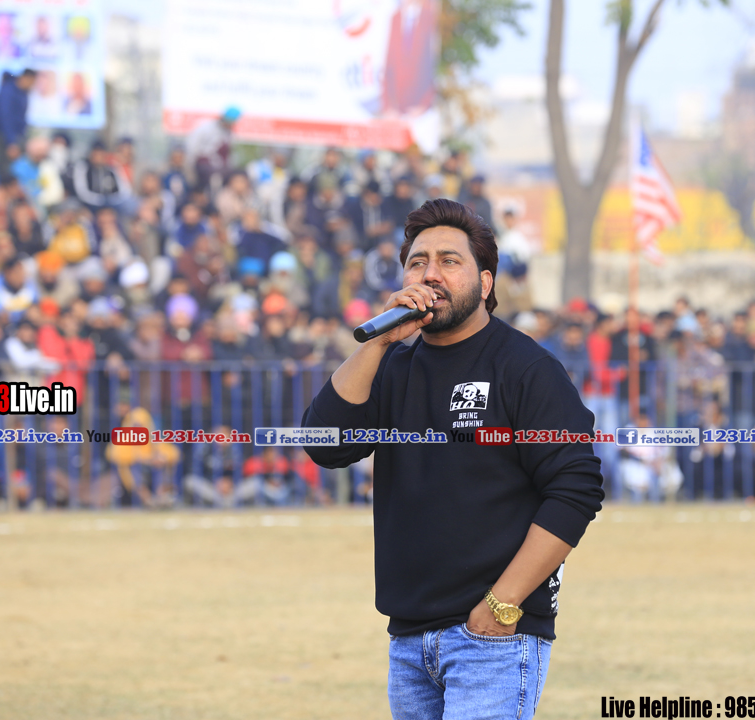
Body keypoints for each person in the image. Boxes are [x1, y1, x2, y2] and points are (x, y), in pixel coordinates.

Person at [301, 198, 604, 720]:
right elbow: (326, 444)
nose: (430, 274)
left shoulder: (526, 368)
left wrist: (502, 604)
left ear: (485, 283)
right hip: (409, 638)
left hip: (493, 637)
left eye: (449, 260)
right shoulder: (392, 365)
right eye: (417, 262)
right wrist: (378, 343)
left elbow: (576, 489)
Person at [380, 0, 437, 116]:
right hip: (396, 110)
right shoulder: (395, 18)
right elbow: (389, 64)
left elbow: (431, 66)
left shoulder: (430, 18)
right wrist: (387, 106)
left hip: (420, 111)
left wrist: (424, 105)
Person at [187, 106, 240, 191]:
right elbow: (193, 146)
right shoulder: (206, 128)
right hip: (204, 166)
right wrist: (191, 165)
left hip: (222, 168)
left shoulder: (229, 133)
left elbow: (229, 155)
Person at [0, 69, 36, 162]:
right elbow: (5, 117)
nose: (32, 86)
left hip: (17, 136)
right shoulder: (8, 91)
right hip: (6, 137)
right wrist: (11, 142)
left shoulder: (23, 92)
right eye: (31, 82)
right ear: (26, 78)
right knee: (6, 166)